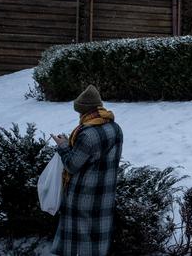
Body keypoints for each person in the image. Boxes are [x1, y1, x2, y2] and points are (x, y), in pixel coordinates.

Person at [50, 84, 123, 256]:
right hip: (105, 193)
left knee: (79, 242)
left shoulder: (87, 134)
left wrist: (63, 146)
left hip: (82, 195)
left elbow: (72, 165)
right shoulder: (115, 128)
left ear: (84, 110)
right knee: (97, 238)